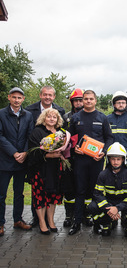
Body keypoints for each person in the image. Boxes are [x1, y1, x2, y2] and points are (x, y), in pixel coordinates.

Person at [68, 90, 113, 235]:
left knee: (96, 192)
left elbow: (109, 138)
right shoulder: (75, 118)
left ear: (95, 101)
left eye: (90, 99)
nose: (87, 101)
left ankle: (97, 223)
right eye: (85, 99)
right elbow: (70, 138)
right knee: (80, 191)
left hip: (96, 161)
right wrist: (74, 149)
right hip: (80, 161)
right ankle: (77, 223)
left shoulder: (102, 117)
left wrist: (104, 152)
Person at [25, 85, 65, 227]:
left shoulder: (60, 133)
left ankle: (51, 221)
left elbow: (65, 149)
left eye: (54, 117)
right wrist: (49, 155)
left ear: (58, 118)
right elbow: (33, 151)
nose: (52, 118)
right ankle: (41, 222)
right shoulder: (37, 131)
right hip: (40, 169)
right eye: (49, 116)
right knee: (40, 196)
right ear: (44, 118)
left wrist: (62, 154)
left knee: (53, 195)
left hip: (55, 169)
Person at [0, 87, 33, 237]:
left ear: (23, 99)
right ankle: (0, 223)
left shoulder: (28, 115)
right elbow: (1, 137)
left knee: (19, 193)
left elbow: (30, 136)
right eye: (14, 97)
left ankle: (18, 220)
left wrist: (25, 153)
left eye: (19, 98)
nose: (16, 100)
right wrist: (14, 153)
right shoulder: (1, 114)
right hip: (5, 161)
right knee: (2, 194)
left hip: (21, 161)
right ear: (9, 98)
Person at [88, 142, 127, 237]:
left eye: (118, 159)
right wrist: (109, 208)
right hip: (109, 201)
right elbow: (97, 194)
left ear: (123, 159)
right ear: (108, 159)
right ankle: (106, 223)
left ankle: (126, 222)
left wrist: (118, 208)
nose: (115, 162)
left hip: (124, 202)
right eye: (113, 159)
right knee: (92, 207)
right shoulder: (103, 174)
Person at [62, 88, 85, 228]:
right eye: (75, 100)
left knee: (85, 187)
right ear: (72, 102)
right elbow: (62, 136)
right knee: (69, 187)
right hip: (69, 157)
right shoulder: (65, 118)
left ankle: (85, 215)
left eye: (80, 100)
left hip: (85, 157)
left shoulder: (89, 116)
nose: (78, 103)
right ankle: (69, 215)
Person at [107, 91, 127, 171]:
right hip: (112, 156)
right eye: (118, 103)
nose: (121, 105)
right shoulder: (107, 119)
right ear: (114, 104)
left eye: (123, 102)